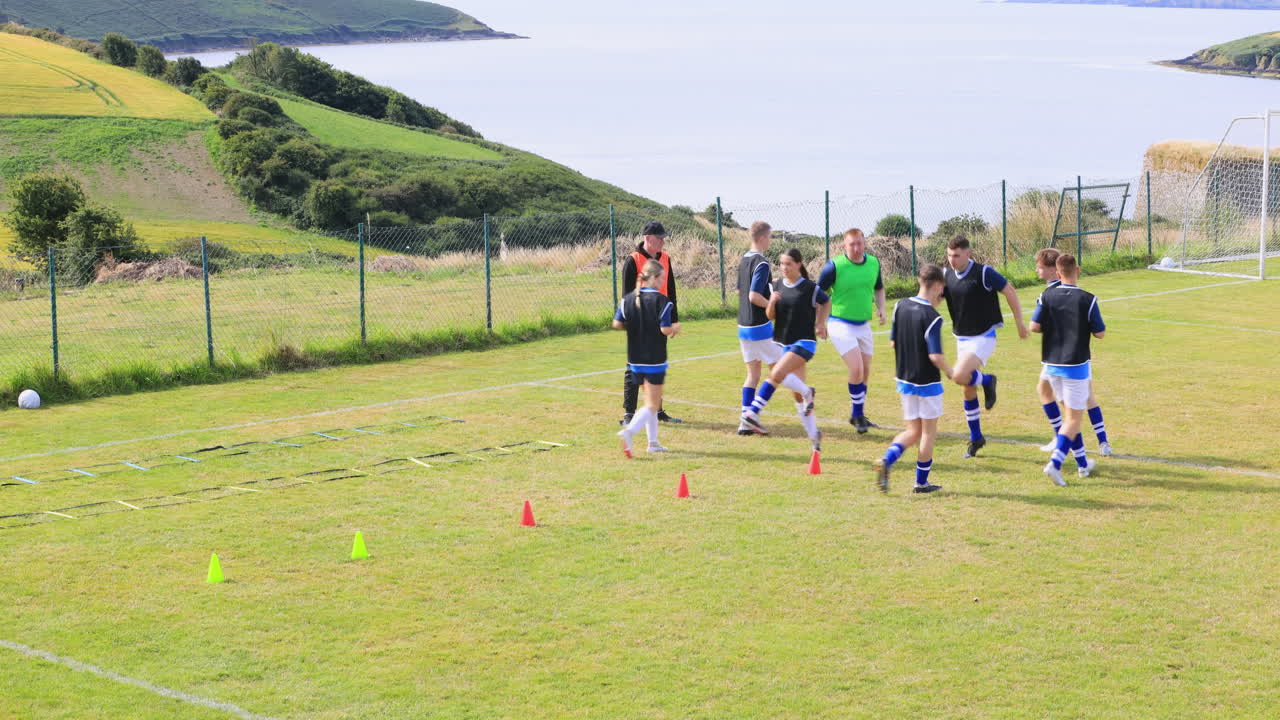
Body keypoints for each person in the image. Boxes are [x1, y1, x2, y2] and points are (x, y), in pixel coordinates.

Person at [941, 235, 1028, 458]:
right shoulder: (946, 275)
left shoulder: (983, 272)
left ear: (968, 254)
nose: (952, 260)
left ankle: (989, 380)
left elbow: (1009, 289)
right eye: (949, 255)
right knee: (967, 387)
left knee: (959, 375)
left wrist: (1019, 322)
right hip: (962, 338)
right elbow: (934, 298)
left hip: (984, 337)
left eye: (957, 256)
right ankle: (976, 437)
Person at [874, 264, 953, 494]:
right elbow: (935, 356)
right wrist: (950, 372)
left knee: (912, 431)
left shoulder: (900, 306)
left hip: (905, 380)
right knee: (928, 433)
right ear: (938, 285)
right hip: (927, 383)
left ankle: (886, 461)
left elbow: (893, 342)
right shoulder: (933, 317)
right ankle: (921, 482)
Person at [740, 248, 830, 451]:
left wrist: (821, 323)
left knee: (777, 373)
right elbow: (771, 316)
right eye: (781, 264)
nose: (784, 268)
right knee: (797, 394)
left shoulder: (810, 288)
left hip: (805, 343)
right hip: (782, 342)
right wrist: (771, 302)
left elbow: (826, 302)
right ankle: (815, 435)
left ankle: (753, 412)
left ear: (798, 264)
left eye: (789, 264)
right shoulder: (776, 286)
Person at [1030, 253, 1105, 486]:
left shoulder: (1047, 295)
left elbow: (1034, 326)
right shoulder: (1088, 299)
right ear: (1078, 270)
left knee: (1068, 418)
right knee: (1073, 419)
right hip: (1076, 367)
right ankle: (1056, 463)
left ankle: (1083, 464)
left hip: (1052, 365)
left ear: (1058, 273)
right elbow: (1100, 333)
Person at [816, 228, 886, 434]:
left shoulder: (873, 263)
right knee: (856, 368)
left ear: (864, 243)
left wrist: (881, 308)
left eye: (859, 243)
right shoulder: (834, 267)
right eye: (851, 244)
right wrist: (819, 323)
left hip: (863, 324)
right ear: (844, 246)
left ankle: (858, 414)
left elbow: (879, 288)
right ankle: (857, 416)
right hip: (839, 323)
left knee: (865, 372)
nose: (856, 248)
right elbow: (816, 294)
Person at [614, 259, 681, 456]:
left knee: (649, 401)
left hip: (635, 359)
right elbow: (664, 329)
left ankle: (653, 443)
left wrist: (636, 327)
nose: (663, 281)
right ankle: (629, 432)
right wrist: (674, 329)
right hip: (654, 359)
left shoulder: (628, 299)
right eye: (661, 278)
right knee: (653, 404)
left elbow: (617, 323)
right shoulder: (662, 302)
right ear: (653, 278)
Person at [620, 221, 681, 426]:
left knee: (657, 365)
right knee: (634, 367)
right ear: (648, 238)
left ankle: (658, 410)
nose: (663, 241)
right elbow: (626, 296)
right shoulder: (633, 260)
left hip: (660, 320)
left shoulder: (666, 258)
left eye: (664, 238)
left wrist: (673, 319)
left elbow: (670, 290)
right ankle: (629, 413)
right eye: (659, 238)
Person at [736, 221, 784, 435]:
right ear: (763, 238)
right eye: (770, 237)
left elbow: (740, 292)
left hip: (743, 326)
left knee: (753, 375)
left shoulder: (743, 260)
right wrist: (772, 303)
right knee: (782, 369)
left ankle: (744, 423)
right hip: (759, 326)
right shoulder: (762, 263)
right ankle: (806, 396)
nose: (771, 241)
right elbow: (753, 296)